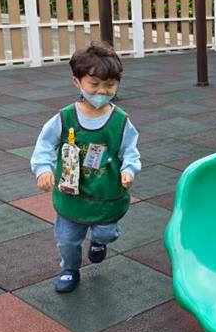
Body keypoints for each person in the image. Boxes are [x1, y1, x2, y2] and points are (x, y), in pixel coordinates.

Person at [30, 44, 140, 293]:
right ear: (77, 82)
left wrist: (129, 169)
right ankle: (69, 269)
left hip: (106, 194)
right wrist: (43, 169)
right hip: (72, 194)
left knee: (107, 232)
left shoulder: (121, 121)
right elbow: (45, 145)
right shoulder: (64, 118)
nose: (102, 91)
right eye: (94, 84)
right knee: (67, 240)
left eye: (110, 85)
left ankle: (99, 242)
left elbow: (130, 151)